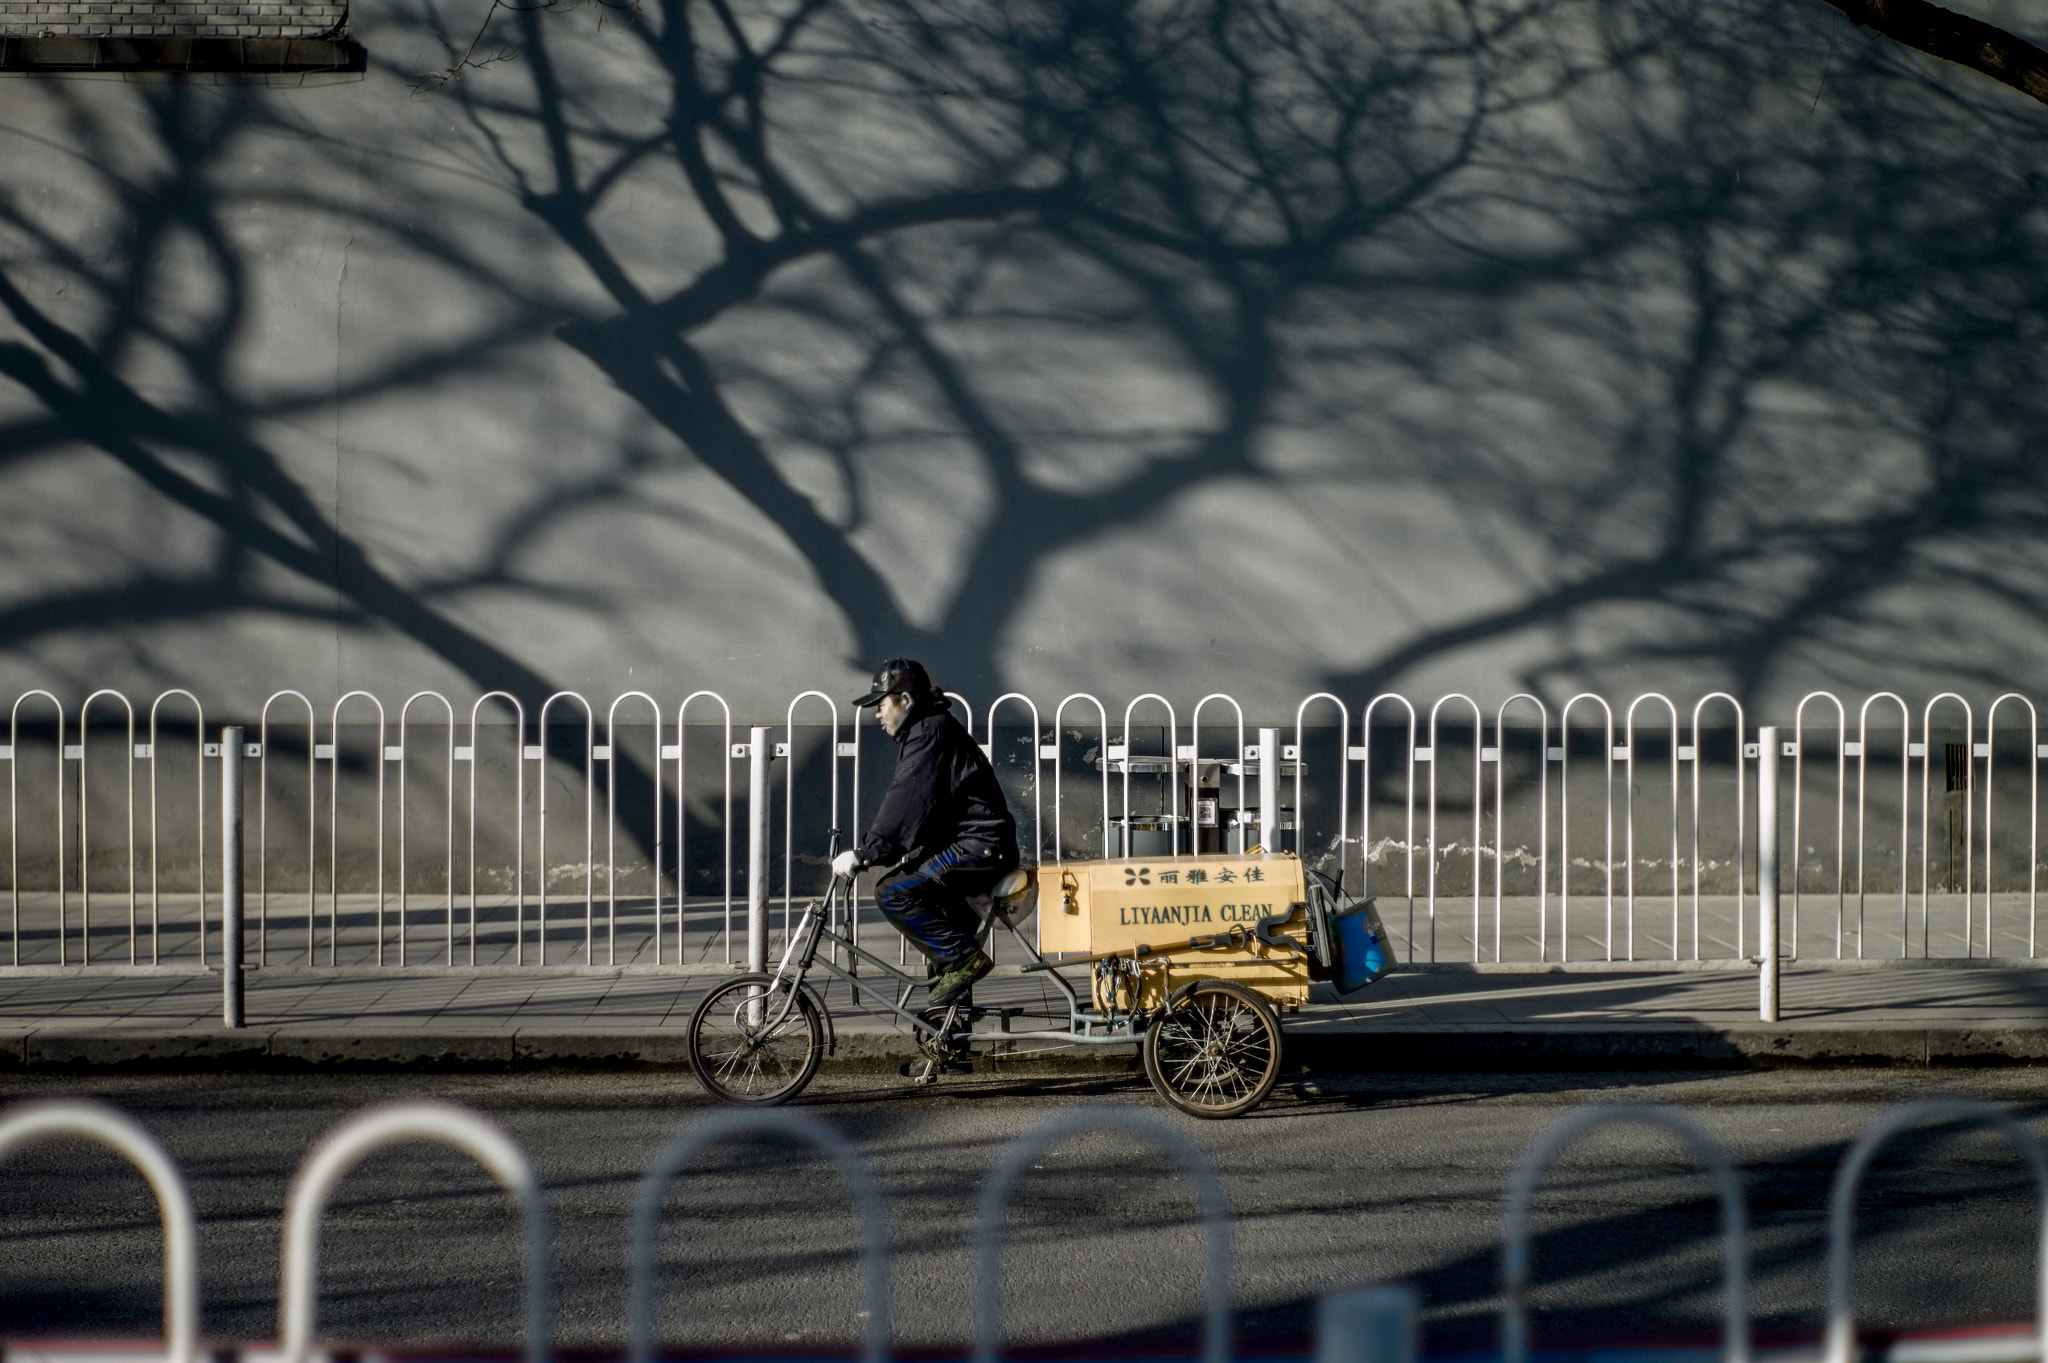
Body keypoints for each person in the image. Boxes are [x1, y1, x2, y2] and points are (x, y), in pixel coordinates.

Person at [830, 657, 1018, 1007]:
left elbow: (906, 801)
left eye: (881, 704)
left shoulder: (930, 732)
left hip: (980, 847)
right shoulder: (929, 730)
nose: (876, 714)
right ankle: (949, 1045)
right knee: (943, 939)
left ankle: (966, 959)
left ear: (905, 700)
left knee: (893, 892)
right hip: (977, 845)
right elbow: (925, 808)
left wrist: (866, 853)